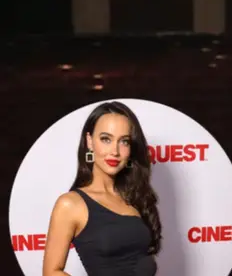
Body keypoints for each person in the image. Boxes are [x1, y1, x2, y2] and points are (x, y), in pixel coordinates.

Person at [42, 101, 161, 276]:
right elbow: (51, 272)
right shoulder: (70, 204)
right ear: (90, 141)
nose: (115, 151)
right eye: (106, 139)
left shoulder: (135, 196)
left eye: (124, 141)